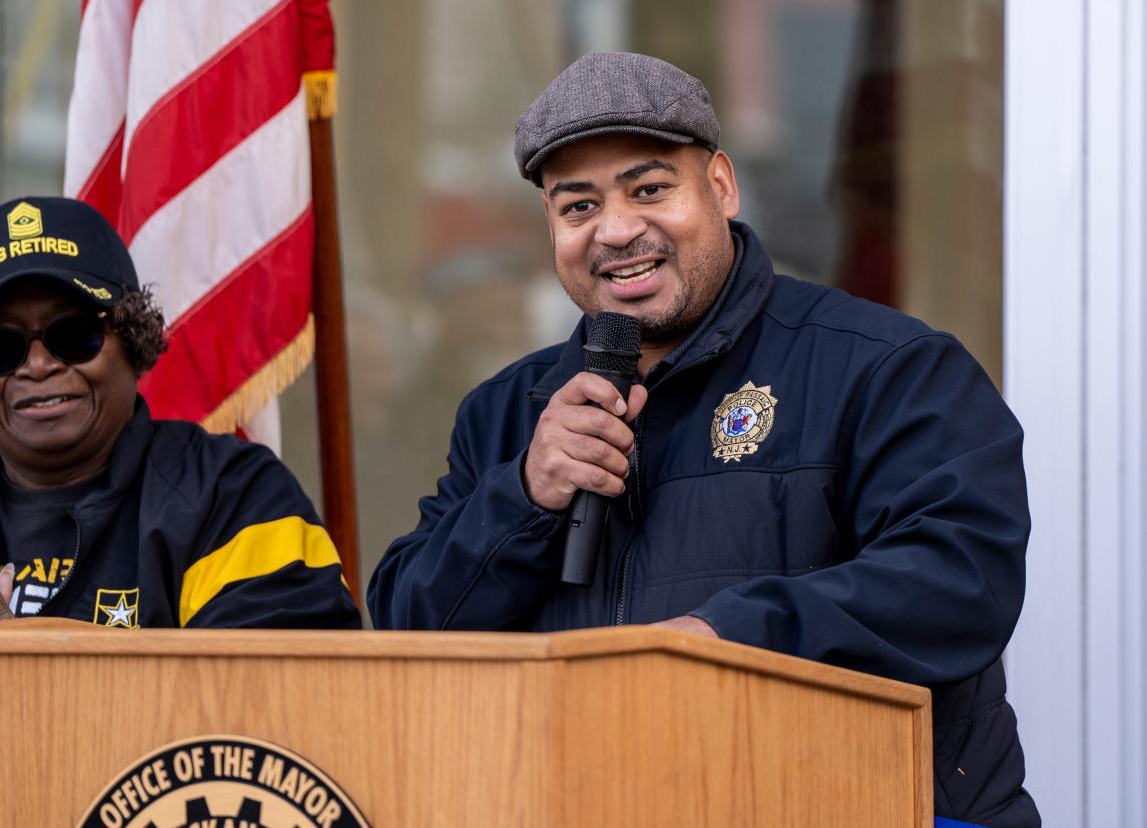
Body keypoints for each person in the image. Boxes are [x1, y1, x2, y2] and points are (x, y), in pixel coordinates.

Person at [368, 52, 1038, 827]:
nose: (617, 230)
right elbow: (411, 635)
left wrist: (724, 639)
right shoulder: (507, 413)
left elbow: (958, 583)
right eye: (577, 207)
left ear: (720, 184)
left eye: (649, 189)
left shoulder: (885, 367)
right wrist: (524, 496)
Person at [0, 196, 360, 811]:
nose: (37, 365)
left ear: (131, 336)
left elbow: (279, 716)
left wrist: (15, 667)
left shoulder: (234, 495)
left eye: (73, 334)